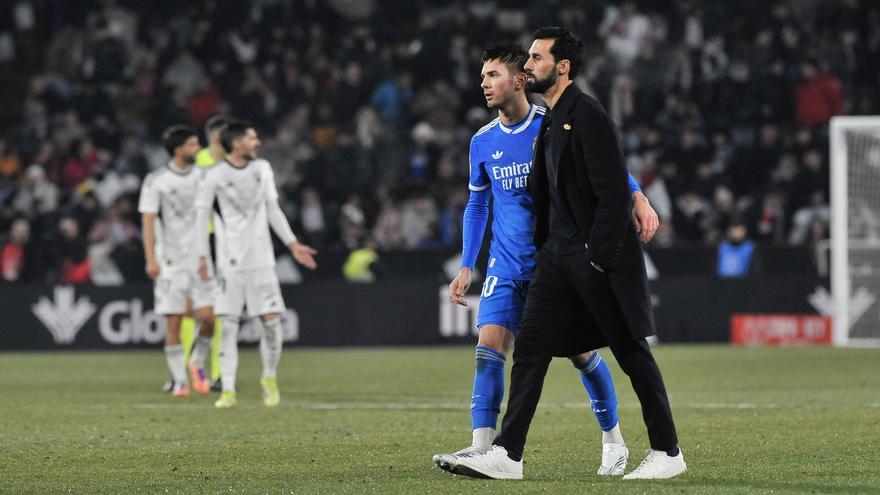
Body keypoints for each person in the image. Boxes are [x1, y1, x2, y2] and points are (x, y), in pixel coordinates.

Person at [451, 27, 686, 481]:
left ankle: (653, 447)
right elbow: (487, 201)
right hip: (543, 260)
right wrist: (470, 261)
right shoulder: (527, 128)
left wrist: (631, 207)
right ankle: (503, 452)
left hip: (585, 258)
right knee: (525, 351)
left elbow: (611, 177)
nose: (527, 66)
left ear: (558, 67)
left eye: (533, 59)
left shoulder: (577, 117)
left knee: (619, 351)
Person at [195, 121, 317, 409]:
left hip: (262, 261)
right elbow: (201, 220)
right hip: (230, 263)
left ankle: (269, 379)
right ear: (236, 143)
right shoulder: (213, 175)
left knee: (272, 326)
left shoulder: (262, 168)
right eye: (252, 137)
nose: (257, 141)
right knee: (227, 328)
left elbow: (272, 209)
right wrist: (202, 258)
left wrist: (292, 244)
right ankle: (227, 388)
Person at [139, 126, 217, 397]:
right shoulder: (156, 180)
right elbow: (148, 221)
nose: (198, 150)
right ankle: (179, 380)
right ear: (178, 149)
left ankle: (196, 360)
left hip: (200, 259)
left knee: (208, 318)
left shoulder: (205, 177)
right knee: (172, 322)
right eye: (194, 145)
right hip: (170, 261)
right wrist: (151, 258)